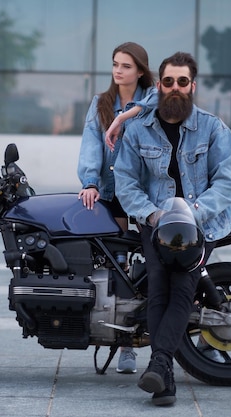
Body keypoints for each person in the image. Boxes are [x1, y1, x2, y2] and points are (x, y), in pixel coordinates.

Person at [114, 51, 231, 406]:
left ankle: (160, 366)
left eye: (182, 82)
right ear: (159, 85)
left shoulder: (213, 128)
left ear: (192, 86)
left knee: (182, 286)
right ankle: (163, 373)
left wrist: (191, 214)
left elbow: (227, 184)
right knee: (158, 289)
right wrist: (155, 217)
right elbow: (126, 183)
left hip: (200, 225)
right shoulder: (138, 130)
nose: (175, 88)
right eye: (168, 81)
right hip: (155, 224)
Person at [77, 41, 155, 374]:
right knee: (119, 266)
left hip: (146, 194)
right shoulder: (100, 103)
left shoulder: (152, 99)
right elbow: (91, 145)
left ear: (140, 70)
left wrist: (126, 115)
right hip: (111, 193)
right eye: (114, 64)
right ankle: (126, 347)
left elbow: (164, 102)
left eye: (125, 65)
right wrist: (90, 183)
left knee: (158, 260)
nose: (118, 71)